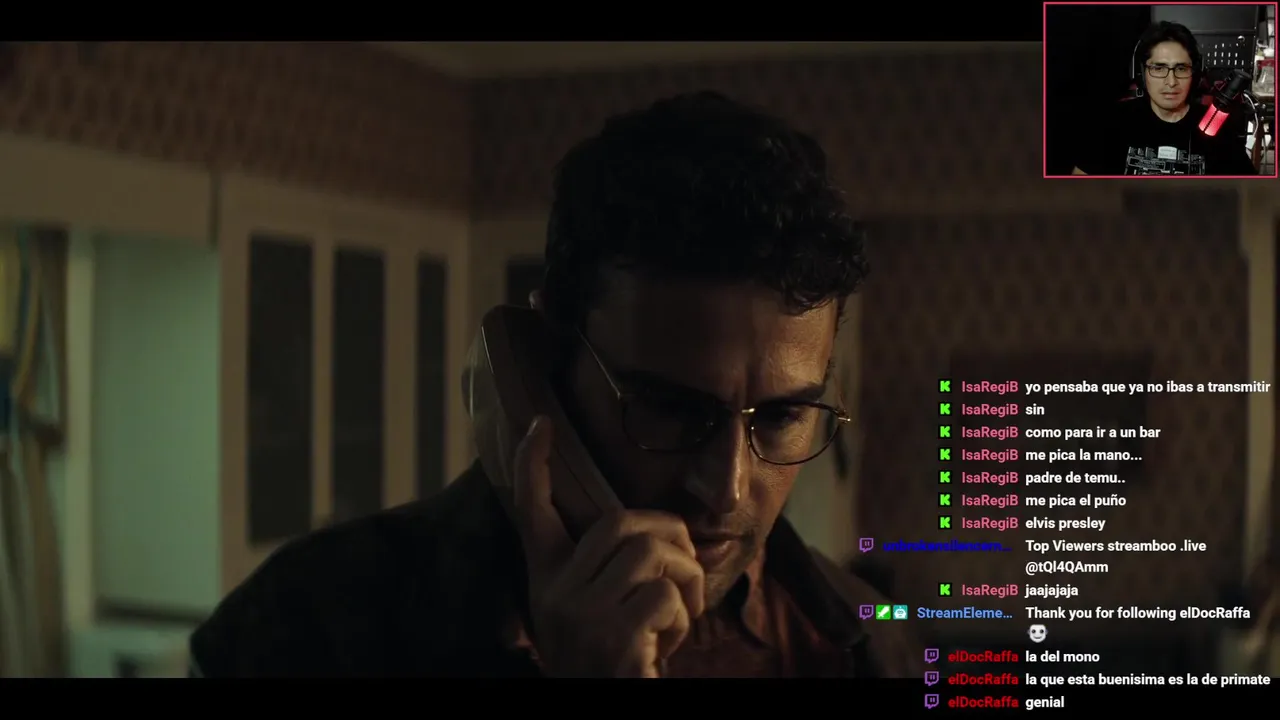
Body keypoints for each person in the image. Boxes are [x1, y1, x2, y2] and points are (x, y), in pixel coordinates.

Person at [189, 92, 923, 678]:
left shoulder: (870, 646)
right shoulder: (304, 627)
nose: (725, 489)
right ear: (543, 366)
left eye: (782, 417)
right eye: (671, 411)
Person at [1072, 21, 1258, 176]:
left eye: (1181, 69)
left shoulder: (1215, 124)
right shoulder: (1113, 121)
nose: (1171, 82)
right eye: (1159, 68)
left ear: (1195, 74)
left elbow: (1250, 195)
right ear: (1141, 73)